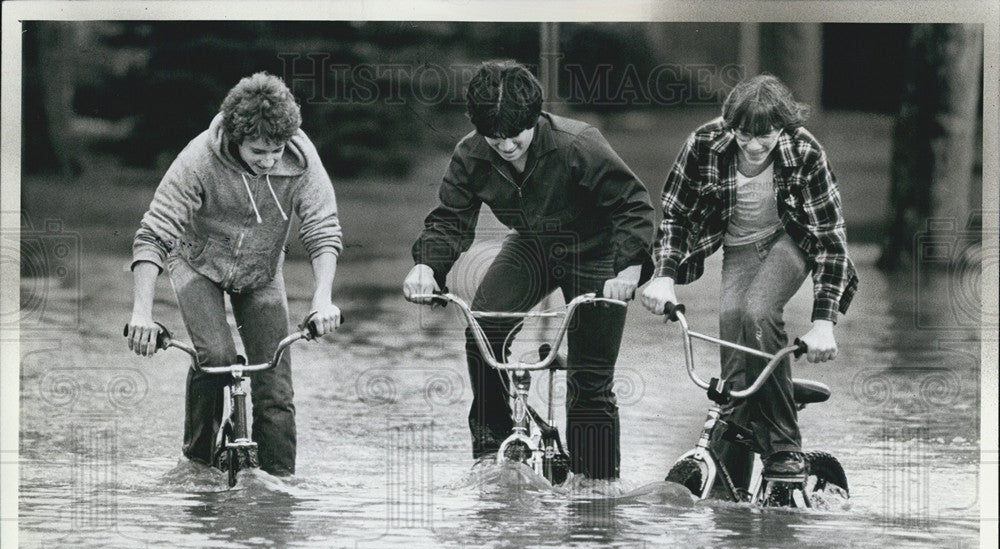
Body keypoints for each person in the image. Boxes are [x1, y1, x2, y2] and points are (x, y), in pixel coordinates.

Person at [403, 60, 655, 480]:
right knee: (483, 328)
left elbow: (633, 205)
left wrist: (628, 269)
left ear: (534, 118)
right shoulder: (471, 152)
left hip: (597, 251)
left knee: (589, 382)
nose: (504, 146)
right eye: (493, 136)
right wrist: (427, 266)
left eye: (514, 136)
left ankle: (594, 486)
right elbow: (449, 218)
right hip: (534, 243)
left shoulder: (578, 144)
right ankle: (493, 450)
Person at [641, 74, 859, 480]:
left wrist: (824, 323)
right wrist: (664, 276)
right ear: (730, 125)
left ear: (783, 127)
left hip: (790, 240)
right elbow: (675, 214)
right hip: (740, 247)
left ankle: (784, 452)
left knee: (758, 312)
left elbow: (830, 240)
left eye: (766, 136)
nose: (754, 146)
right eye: (744, 135)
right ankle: (732, 477)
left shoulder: (807, 151)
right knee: (734, 355)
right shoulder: (704, 143)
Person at [125, 72, 343, 477]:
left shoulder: (301, 158)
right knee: (218, 361)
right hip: (197, 264)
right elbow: (153, 235)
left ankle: (278, 487)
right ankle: (197, 464)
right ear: (235, 137)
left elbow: (323, 229)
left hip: (260, 271)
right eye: (259, 151)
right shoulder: (197, 160)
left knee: (275, 387)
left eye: (276, 150)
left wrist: (322, 297)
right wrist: (142, 312)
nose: (270, 160)